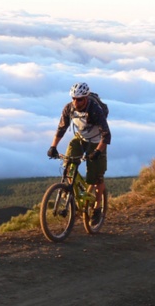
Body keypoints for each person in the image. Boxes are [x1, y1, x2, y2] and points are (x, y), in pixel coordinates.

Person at [47, 82, 111, 225]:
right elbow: (61, 129)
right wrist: (53, 147)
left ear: (86, 98)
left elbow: (106, 135)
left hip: (97, 142)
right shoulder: (69, 108)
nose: (76, 102)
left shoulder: (95, 110)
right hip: (80, 139)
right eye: (74, 98)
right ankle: (71, 193)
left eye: (80, 99)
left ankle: (97, 209)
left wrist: (97, 152)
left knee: (96, 178)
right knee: (68, 163)